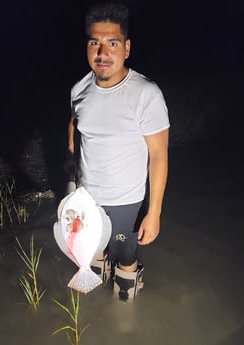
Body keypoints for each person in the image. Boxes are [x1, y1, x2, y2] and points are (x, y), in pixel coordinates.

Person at [68, 2, 170, 301]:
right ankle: (92, 314)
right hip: (88, 199)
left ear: (126, 48)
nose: (102, 53)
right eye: (95, 43)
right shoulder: (79, 90)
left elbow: (159, 156)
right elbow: (75, 126)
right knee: (92, 255)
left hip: (126, 201)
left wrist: (154, 213)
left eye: (112, 43)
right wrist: (70, 166)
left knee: (125, 258)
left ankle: (124, 316)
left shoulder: (146, 94)